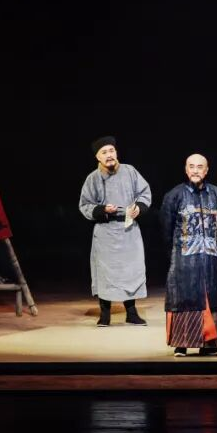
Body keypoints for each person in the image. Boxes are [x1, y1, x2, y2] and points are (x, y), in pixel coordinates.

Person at [78, 136, 151, 326]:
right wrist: (102, 209)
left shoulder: (130, 171)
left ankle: (131, 313)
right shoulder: (93, 178)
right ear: (98, 157)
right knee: (105, 273)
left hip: (128, 229)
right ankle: (105, 314)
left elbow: (144, 193)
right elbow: (85, 205)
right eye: (104, 152)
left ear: (116, 152)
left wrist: (139, 207)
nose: (109, 155)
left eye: (111, 151)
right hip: (105, 231)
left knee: (130, 270)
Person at [160, 153, 217, 357]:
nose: (195, 170)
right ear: (186, 169)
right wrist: (175, 253)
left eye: (199, 167)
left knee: (210, 298)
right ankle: (181, 343)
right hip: (184, 259)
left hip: (210, 257)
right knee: (184, 298)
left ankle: (209, 344)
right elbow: (165, 228)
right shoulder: (175, 195)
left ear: (206, 171)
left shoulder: (216, 193)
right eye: (191, 166)